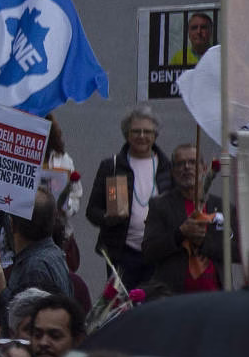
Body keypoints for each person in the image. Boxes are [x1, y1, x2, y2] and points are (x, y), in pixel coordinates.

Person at [85, 106, 167, 290]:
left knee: (154, 307)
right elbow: (92, 211)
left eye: (147, 131)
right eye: (136, 131)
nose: (141, 136)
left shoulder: (167, 167)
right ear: (126, 134)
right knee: (121, 309)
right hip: (121, 255)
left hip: (157, 253)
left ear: (155, 135)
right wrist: (107, 219)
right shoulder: (112, 166)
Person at [140, 141, 221, 296]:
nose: (187, 167)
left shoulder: (221, 206)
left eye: (192, 162)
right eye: (180, 164)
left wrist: (204, 242)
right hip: (174, 297)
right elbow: (149, 252)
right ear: (173, 171)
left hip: (215, 298)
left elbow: (236, 251)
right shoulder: (160, 206)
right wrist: (180, 233)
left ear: (204, 168)